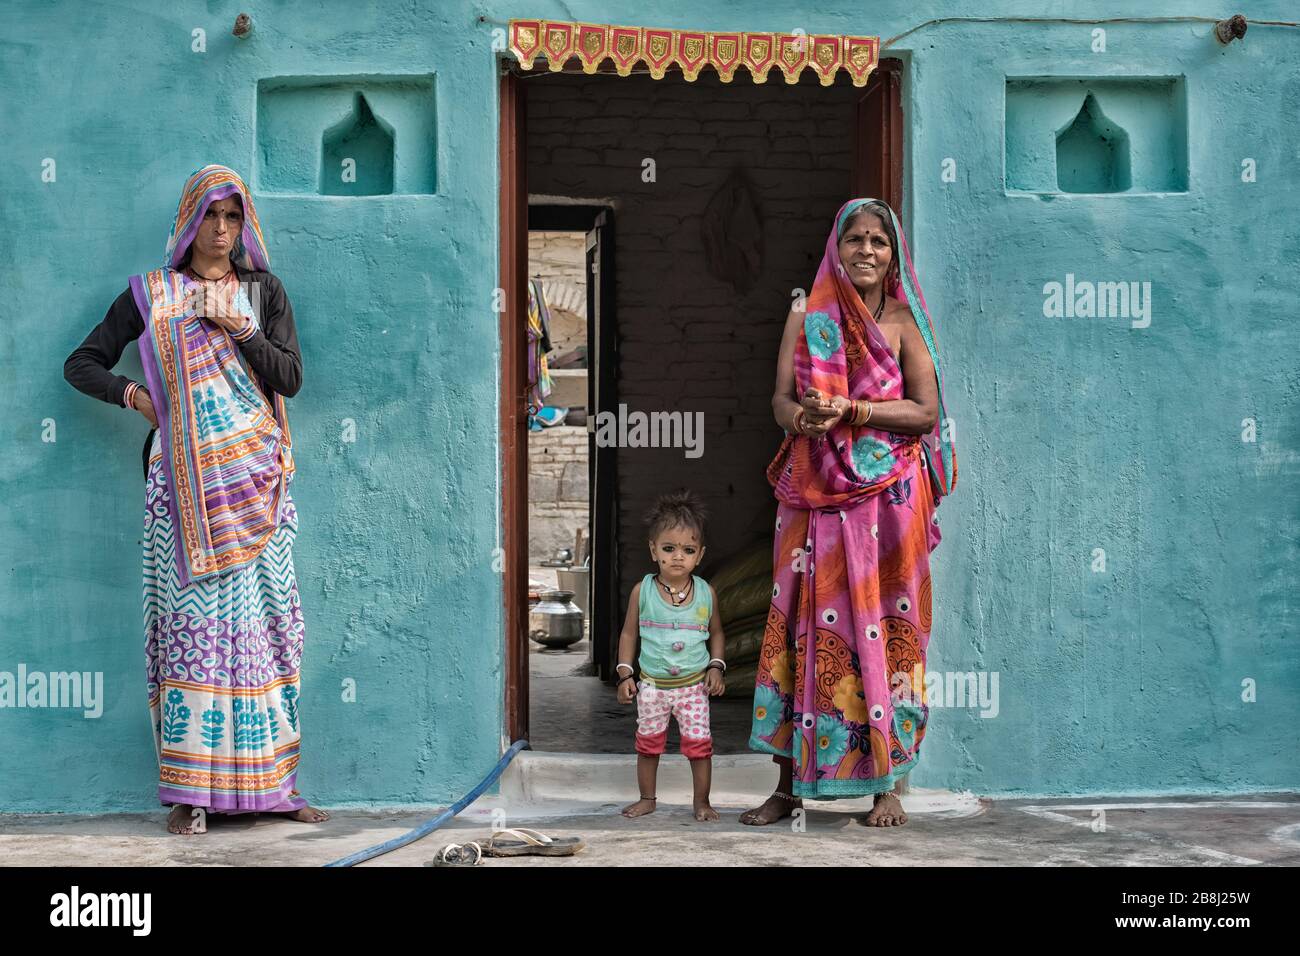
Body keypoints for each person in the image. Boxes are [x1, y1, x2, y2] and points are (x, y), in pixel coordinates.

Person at [63, 164, 327, 834]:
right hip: (181, 492)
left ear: (245, 226)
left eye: (233, 217)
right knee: (191, 636)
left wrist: (238, 328)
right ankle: (190, 794)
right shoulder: (153, 295)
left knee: (269, 635)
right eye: (211, 216)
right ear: (189, 222)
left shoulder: (263, 294)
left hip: (257, 488)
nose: (221, 229)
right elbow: (82, 362)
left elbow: (290, 379)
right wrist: (137, 397)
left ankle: (276, 787)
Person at [741, 198, 959, 828]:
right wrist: (804, 418)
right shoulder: (806, 318)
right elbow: (780, 402)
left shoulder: (903, 321)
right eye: (855, 239)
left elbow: (925, 413)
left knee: (893, 631)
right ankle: (788, 786)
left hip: (890, 502)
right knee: (800, 628)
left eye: (879, 241)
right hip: (812, 499)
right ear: (834, 250)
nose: (866, 250)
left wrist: (853, 413)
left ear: (893, 256)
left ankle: (888, 785)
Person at [615, 490, 727, 822]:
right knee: (648, 745)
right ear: (653, 550)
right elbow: (628, 634)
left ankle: (701, 802)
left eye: (688, 550)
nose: (678, 556)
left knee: (699, 746)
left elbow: (717, 633)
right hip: (651, 687)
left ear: (700, 555)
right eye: (669, 548)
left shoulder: (706, 592)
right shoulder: (643, 590)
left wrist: (716, 667)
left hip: (694, 688)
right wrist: (625, 675)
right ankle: (647, 798)